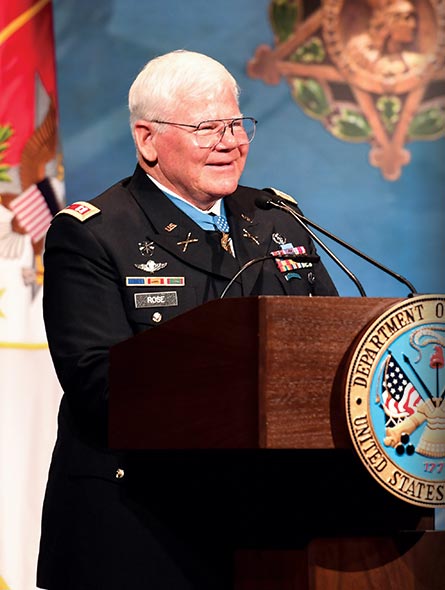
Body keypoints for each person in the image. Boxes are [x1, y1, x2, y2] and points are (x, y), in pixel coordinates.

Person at [37, 50, 337, 590]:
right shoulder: (92, 235)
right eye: (205, 128)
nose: (229, 142)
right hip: (141, 526)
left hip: (270, 523)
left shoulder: (277, 217)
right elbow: (98, 385)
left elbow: (334, 345)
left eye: (235, 124)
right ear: (147, 140)